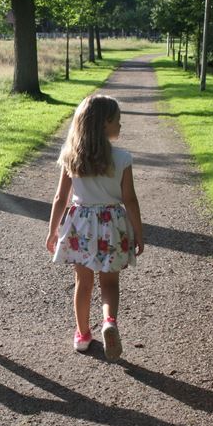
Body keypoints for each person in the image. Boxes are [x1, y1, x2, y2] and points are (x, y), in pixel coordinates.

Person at [46, 95, 144, 360]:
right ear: (103, 125)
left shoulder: (71, 156)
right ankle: (109, 321)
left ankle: (82, 334)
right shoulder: (122, 158)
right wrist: (138, 230)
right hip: (112, 224)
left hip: (81, 226)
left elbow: (60, 198)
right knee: (110, 282)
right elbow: (130, 199)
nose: (121, 125)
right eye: (117, 121)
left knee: (83, 282)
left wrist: (53, 230)